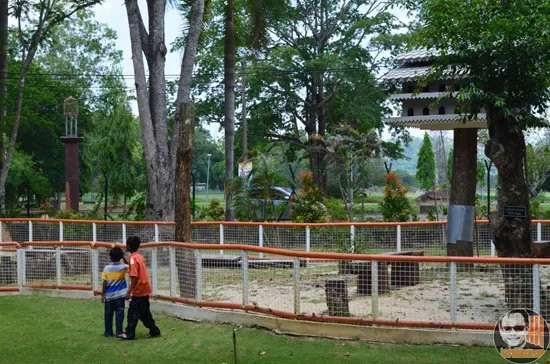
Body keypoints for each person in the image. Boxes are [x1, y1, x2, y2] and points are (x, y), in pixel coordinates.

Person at [120, 236, 161, 340]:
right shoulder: (138, 257)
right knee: (144, 313)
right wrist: (123, 258)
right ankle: (154, 331)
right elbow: (130, 264)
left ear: (128, 246)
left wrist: (129, 291)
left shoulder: (133, 259)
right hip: (145, 289)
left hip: (139, 290)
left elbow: (134, 276)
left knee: (132, 313)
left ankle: (129, 333)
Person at [101, 246, 128, 338]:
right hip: (120, 296)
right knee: (119, 313)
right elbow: (131, 266)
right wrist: (124, 257)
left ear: (110, 257)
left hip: (109, 296)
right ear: (121, 256)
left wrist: (102, 295)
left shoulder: (107, 268)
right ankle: (119, 332)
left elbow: (104, 282)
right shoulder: (123, 267)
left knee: (108, 314)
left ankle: (108, 332)